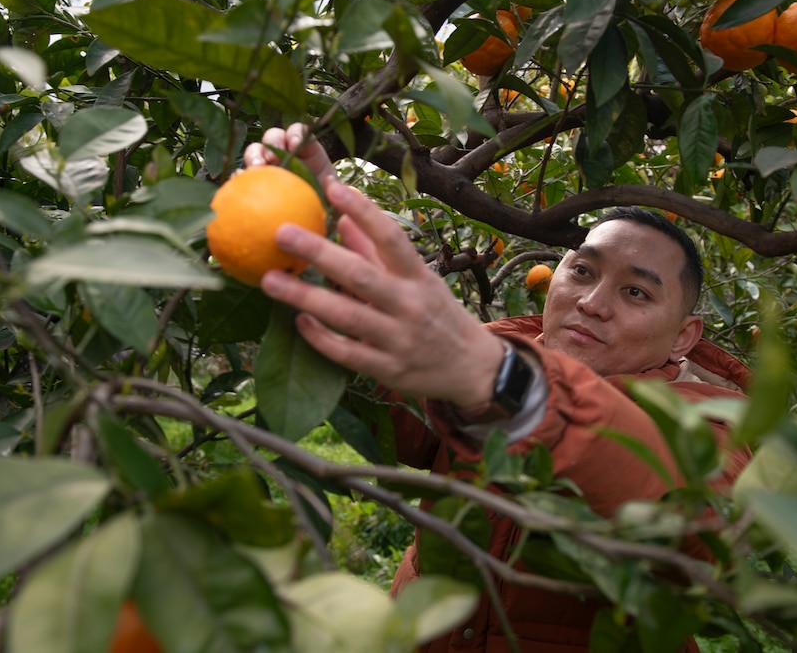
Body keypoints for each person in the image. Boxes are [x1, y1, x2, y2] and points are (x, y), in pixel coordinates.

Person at [244, 125, 753, 653]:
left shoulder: (716, 417)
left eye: (636, 292)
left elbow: (687, 527)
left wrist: (509, 390)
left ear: (683, 337)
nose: (593, 302)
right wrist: (323, 263)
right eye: (582, 270)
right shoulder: (494, 347)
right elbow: (398, 424)